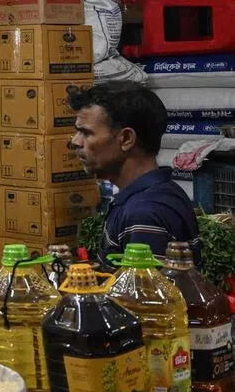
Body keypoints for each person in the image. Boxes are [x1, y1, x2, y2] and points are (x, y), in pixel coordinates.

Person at [68, 81, 200, 266]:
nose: (75, 141)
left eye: (86, 133)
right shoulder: (160, 193)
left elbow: (145, 292)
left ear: (127, 139)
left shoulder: (143, 214)